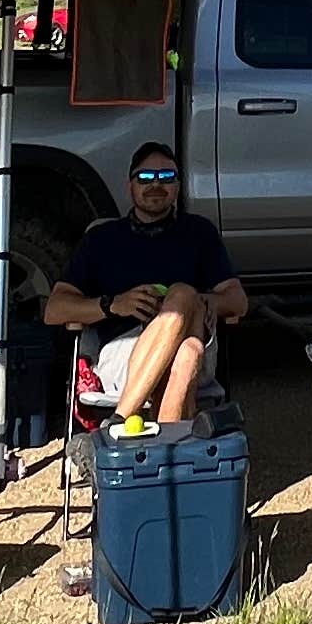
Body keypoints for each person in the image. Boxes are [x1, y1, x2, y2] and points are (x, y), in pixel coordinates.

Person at [45, 141, 245, 430]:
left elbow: (238, 301)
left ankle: (119, 421)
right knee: (187, 351)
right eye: (146, 177)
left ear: (177, 187)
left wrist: (198, 302)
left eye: (167, 177)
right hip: (124, 353)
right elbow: (54, 310)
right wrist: (113, 304)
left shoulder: (199, 232)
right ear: (130, 186)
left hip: (195, 348)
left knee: (182, 296)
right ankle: (167, 447)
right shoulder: (102, 238)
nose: (156, 185)